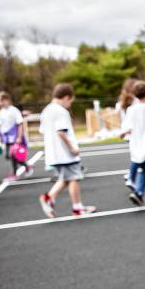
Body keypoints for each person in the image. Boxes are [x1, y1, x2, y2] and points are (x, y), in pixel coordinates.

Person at [38, 84, 96, 217]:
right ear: (66, 97)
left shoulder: (46, 110)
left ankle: (49, 198)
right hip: (64, 153)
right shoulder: (61, 111)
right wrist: (72, 148)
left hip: (53, 153)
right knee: (74, 178)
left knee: (66, 179)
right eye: (70, 101)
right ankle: (77, 207)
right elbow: (61, 132)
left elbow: (43, 130)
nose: (70, 104)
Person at [0, 91, 32, 180]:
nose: (0, 103)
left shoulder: (14, 110)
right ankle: (27, 166)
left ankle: (14, 174)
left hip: (15, 137)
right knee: (9, 156)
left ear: (7, 100)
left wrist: (19, 137)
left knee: (13, 155)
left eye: (1, 101)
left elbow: (20, 124)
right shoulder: (1, 112)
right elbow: (1, 126)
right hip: (6, 138)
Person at [115, 78, 139, 191]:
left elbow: (121, 120)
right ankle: (131, 177)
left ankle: (131, 176)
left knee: (136, 157)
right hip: (136, 132)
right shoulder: (136, 102)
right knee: (140, 158)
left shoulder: (120, 103)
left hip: (127, 133)